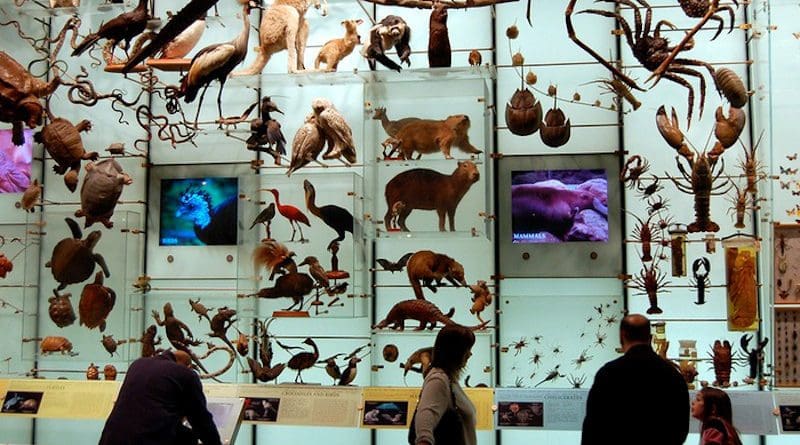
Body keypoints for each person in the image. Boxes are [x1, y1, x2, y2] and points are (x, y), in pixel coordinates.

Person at [581, 314, 689, 445]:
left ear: (622, 336)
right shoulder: (672, 374)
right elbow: (681, 429)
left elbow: (593, 427)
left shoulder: (608, 373)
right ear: (650, 338)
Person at [98, 350, 221, 445]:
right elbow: (200, 419)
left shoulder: (137, 364)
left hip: (110, 438)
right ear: (188, 366)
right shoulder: (186, 374)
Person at [411, 325, 477, 445]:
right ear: (455, 352)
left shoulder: (449, 378)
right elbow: (425, 417)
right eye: (467, 349)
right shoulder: (438, 380)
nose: (470, 354)